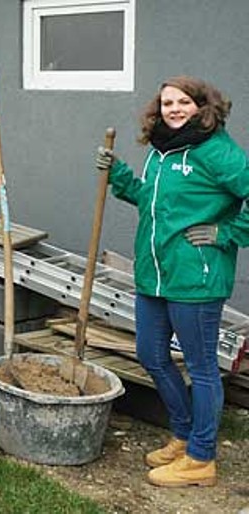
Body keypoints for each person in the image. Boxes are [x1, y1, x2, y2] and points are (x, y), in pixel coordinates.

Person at [97, 76, 249, 487]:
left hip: (195, 278)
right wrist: (119, 176)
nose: (174, 109)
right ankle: (183, 434)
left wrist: (228, 233)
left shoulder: (217, 151)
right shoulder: (162, 150)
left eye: (184, 102)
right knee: (151, 355)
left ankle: (202, 458)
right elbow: (151, 200)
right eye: (167, 102)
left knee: (201, 369)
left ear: (203, 107)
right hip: (155, 275)